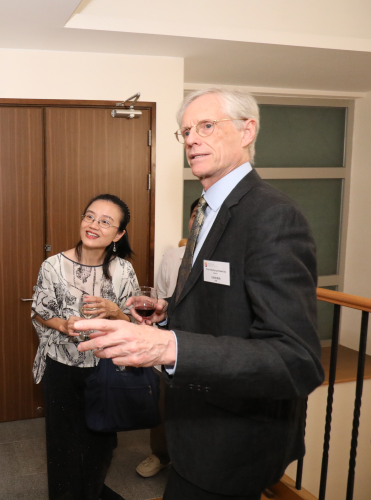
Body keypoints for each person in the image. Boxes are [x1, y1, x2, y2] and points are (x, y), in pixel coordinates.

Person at [75, 88, 324, 500]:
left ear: (248, 131)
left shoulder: (272, 215)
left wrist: (167, 347)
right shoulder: (208, 209)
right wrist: (169, 311)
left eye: (206, 126)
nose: (191, 139)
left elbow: (296, 360)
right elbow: (227, 300)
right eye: (185, 130)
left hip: (234, 438)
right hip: (197, 423)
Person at [31, 194, 139, 500]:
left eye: (105, 221)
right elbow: (40, 311)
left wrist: (113, 310)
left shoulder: (123, 271)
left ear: (118, 235)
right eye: (89, 216)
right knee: (62, 447)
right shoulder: (52, 266)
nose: (93, 225)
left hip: (105, 370)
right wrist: (61, 325)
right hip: (61, 368)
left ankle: (91, 493)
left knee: (100, 445)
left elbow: (134, 321)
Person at [136, 199, 198, 478]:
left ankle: (190, 463)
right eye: (195, 214)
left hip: (205, 348)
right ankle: (159, 455)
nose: (199, 221)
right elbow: (160, 296)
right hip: (170, 341)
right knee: (163, 405)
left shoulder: (226, 257)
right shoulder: (173, 256)